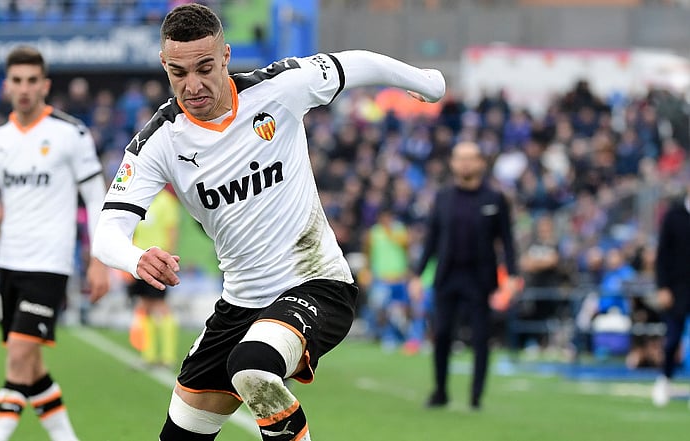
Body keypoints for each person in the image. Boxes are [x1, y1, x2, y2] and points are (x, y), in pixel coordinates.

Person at [92, 4, 446, 440]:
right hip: (241, 304)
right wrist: (135, 257)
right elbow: (107, 232)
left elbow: (356, 63)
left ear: (225, 55)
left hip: (318, 284)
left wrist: (427, 82)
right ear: (165, 66)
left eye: (205, 67)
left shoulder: (279, 89)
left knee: (253, 369)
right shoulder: (159, 142)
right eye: (179, 72)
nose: (193, 84)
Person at [0, 46, 110, 441]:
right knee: (30, 367)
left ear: (45, 85)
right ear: (6, 85)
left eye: (32, 80)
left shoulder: (71, 134)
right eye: (17, 80)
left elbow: (97, 199)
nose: (24, 88)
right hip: (9, 263)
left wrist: (100, 259)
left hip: (50, 265)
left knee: (17, 359)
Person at [410, 141, 520, 410]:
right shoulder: (443, 197)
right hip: (447, 276)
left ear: (481, 162)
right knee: (443, 334)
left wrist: (514, 274)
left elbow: (507, 239)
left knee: (481, 338)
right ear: (453, 163)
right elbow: (432, 240)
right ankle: (440, 391)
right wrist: (417, 275)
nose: (466, 163)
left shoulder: (494, 199)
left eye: (471, 158)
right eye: (460, 158)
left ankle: (476, 396)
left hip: (480, 279)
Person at [128, 187, 181, 368]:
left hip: (157, 261)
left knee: (160, 306)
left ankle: (167, 356)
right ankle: (149, 355)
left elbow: (172, 231)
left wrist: (169, 260)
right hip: (140, 260)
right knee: (145, 306)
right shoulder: (141, 198)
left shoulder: (166, 201)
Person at [652, 190, 690, 407]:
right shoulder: (673, 216)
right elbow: (662, 254)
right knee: (673, 338)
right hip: (676, 289)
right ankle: (665, 379)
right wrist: (663, 287)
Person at [363, 205, 411, 348]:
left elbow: (407, 250)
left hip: (399, 278)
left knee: (398, 311)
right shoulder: (374, 233)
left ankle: (400, 337)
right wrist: (368, 272)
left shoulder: (400, 231)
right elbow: (368, 254)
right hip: (381, 279)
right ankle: (384, 335)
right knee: (381, 308)